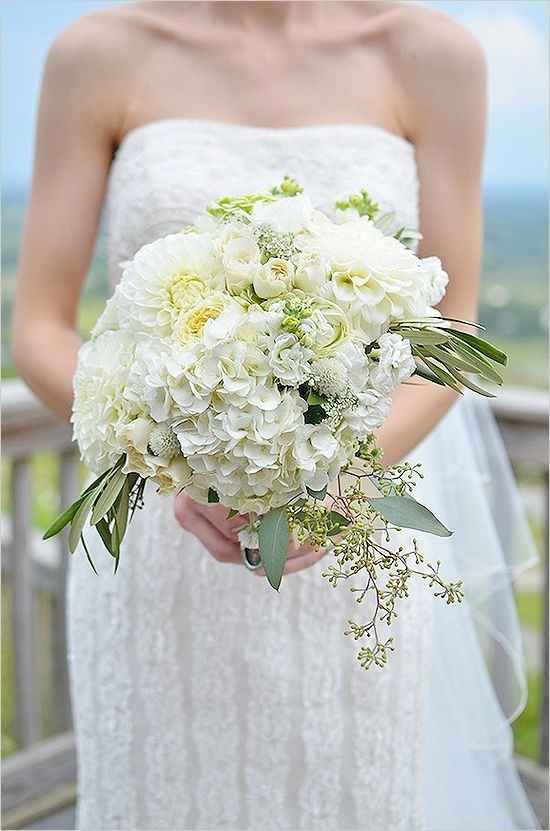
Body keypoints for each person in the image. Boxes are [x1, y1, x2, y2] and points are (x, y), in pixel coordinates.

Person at [12, 3, 538, 829]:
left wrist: (344, 475)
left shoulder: (434, 54)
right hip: (160, 530)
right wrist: (175, 457)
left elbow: (453, 328)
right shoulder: (97, 53)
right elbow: (40, 326)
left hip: (356, 526)